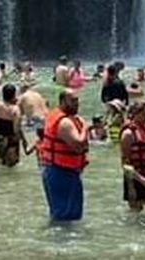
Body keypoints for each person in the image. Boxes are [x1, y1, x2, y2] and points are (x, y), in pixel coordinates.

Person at [40, 90, 89, 222]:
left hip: (61, 170)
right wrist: (85, 127)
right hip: (60, 171)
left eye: (77, 100)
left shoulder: (57, 116)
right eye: (72, 101)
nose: (76, 104)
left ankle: (64, 240)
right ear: (62, 102)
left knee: (68, 215)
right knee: (65, 216)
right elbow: (78, 144)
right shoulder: (65, 122)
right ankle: (62, 242)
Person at [120, 101, 145, 211]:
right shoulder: (128, 134)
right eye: (143, 114)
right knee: (136, 215)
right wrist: (131, 186)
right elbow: (125, 162)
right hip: (134, 179)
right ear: (135, 114)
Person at [0, 83, 27, 167]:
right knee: (11, 170)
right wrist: (23, 140)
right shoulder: (15, 110)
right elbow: (16, 129)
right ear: (14, 95)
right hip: (9, 142)